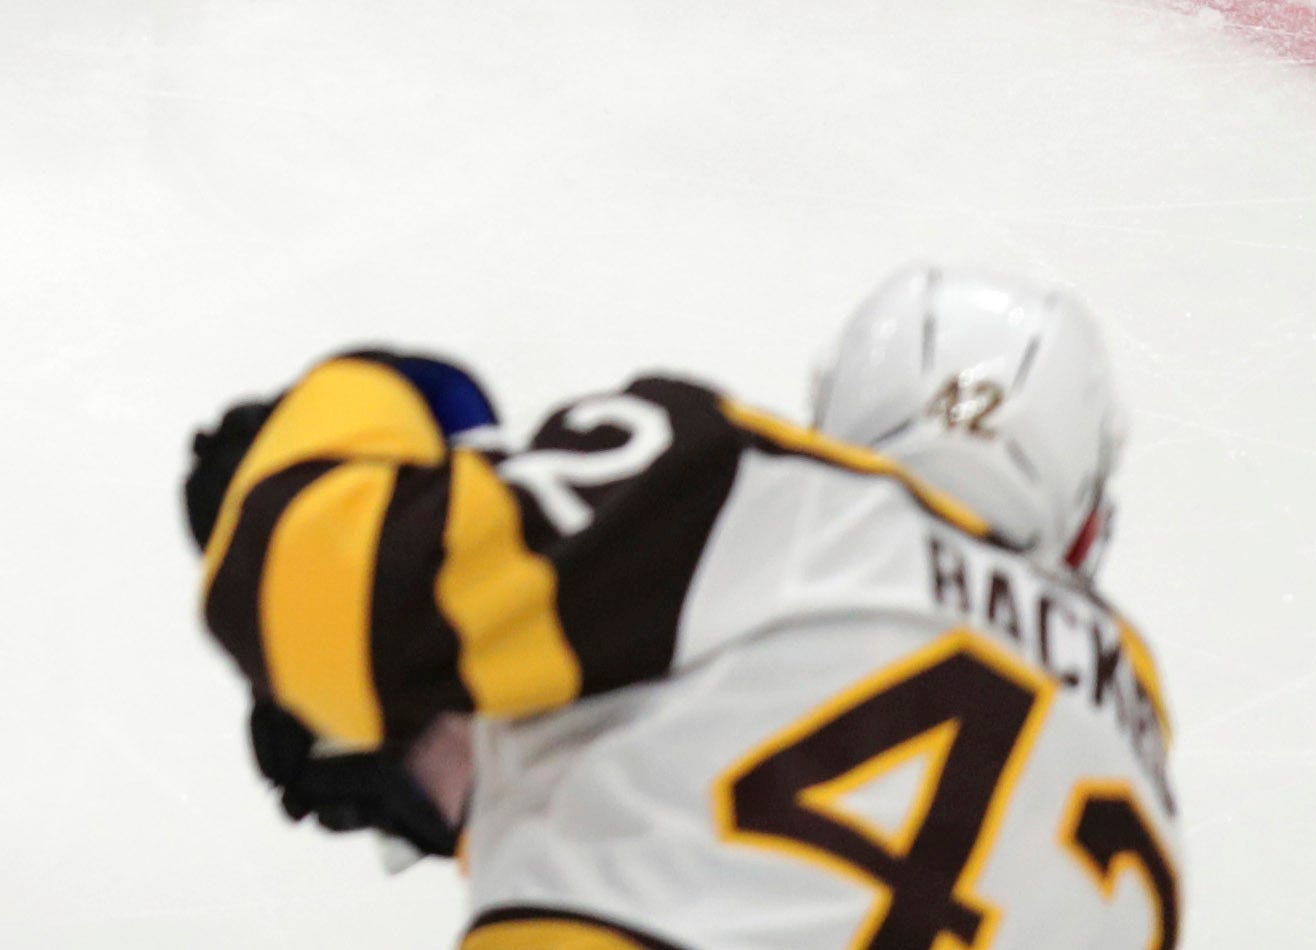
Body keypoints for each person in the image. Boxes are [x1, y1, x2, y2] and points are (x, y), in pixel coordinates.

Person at [182, 266, 1177, 950]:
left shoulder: (742, 488)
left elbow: (316, 589)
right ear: (1084, 531)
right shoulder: (1136, 737)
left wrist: (375, 398)